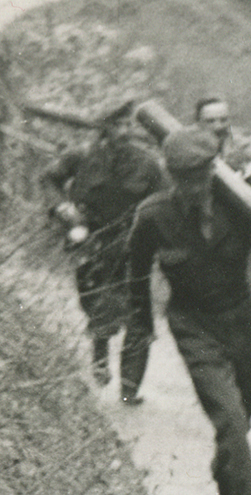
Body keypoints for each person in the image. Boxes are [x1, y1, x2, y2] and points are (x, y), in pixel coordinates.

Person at [125, 125, 251, 495]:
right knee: (229, 416)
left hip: (241, 320)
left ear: (213, 171)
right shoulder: (154, 215)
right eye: (182, 177)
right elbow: (135, 272)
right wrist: (141, 326)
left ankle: (227, 475)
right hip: (193, 325)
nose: (192, 187)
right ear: (170, 174)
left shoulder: (239, 206)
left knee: (245, 410)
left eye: (200, 176)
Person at [41, 105, 167, 394]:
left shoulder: (147, 163)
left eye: (128, 126)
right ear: (104, 127)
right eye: (118, 125)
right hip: (89, 239)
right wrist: (62, 207)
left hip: (131, 243)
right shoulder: (81, 155)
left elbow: (164, 201)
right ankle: (100, 352)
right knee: (93, 298)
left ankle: (129, 388)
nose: (124, 132)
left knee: (136, 311)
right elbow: (49, 178)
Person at [195, 96, 251, 197]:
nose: (218, 126)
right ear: (198, 122)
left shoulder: (250, 148)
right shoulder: (187, 147)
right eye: (210, 121)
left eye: (223, 120)